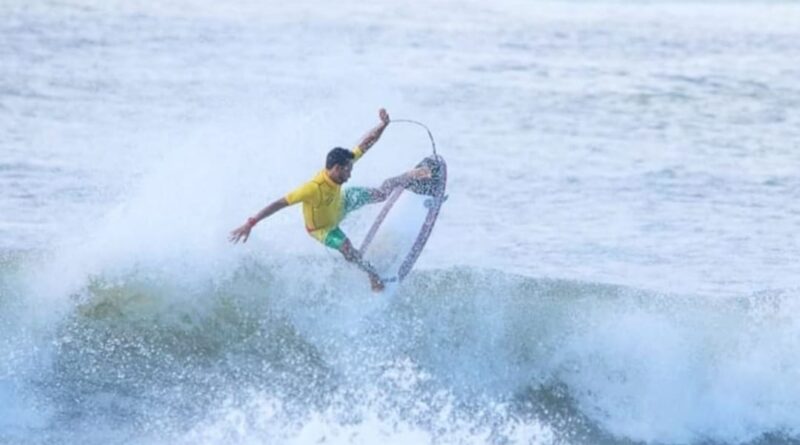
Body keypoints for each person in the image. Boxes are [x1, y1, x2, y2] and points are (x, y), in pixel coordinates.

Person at [229, 108, 430, 292]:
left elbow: (364, 145)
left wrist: (382, 125)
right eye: (347, 170)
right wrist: (250, 222)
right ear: (336, 168)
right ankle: (372, 275)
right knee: (347, 249)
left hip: (341, 203)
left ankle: (408, 176)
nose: (350, 174)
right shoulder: (312, 188)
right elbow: (279, 203)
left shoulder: (342, 166)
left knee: (381, 194)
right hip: (323, 228)